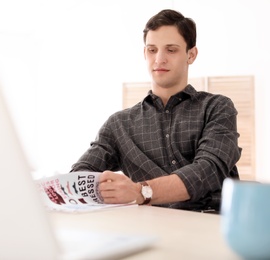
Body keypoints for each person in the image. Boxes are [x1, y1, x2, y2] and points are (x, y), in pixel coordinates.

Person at [70, 9, 241, 211]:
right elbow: (79, 176)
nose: (159, 59)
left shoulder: (217, 108)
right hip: (151, 225)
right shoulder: (119, 124)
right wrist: (109, 187)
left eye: (171, 50)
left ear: (191, 55)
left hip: (212, 223)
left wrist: (140, 192)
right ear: (145, 53)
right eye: (152, 50)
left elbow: (208, 170)